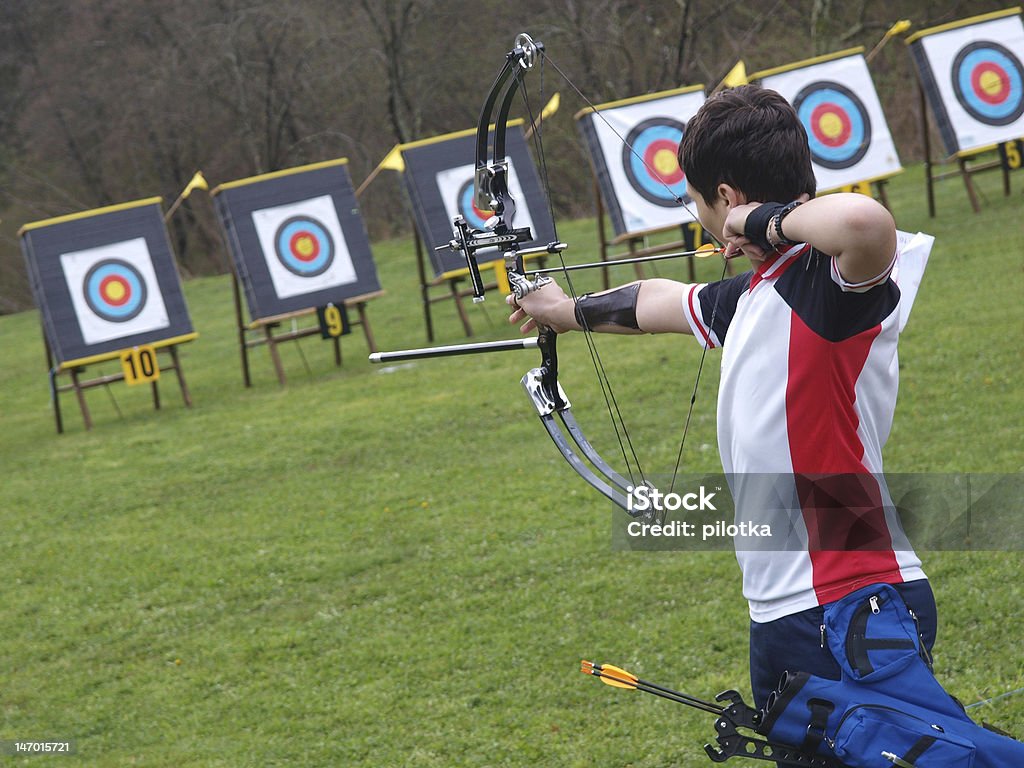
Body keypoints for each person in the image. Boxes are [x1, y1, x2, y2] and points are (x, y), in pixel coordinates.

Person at [506, 84, 934, 711]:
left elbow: (866, 223)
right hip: (789, 606)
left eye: (702, 204)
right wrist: (565, 310)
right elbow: (657, 301)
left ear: (728, 200)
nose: (702, 220)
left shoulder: (834, 286)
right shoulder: (759, 291)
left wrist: (753, 221)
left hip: (851, 598)